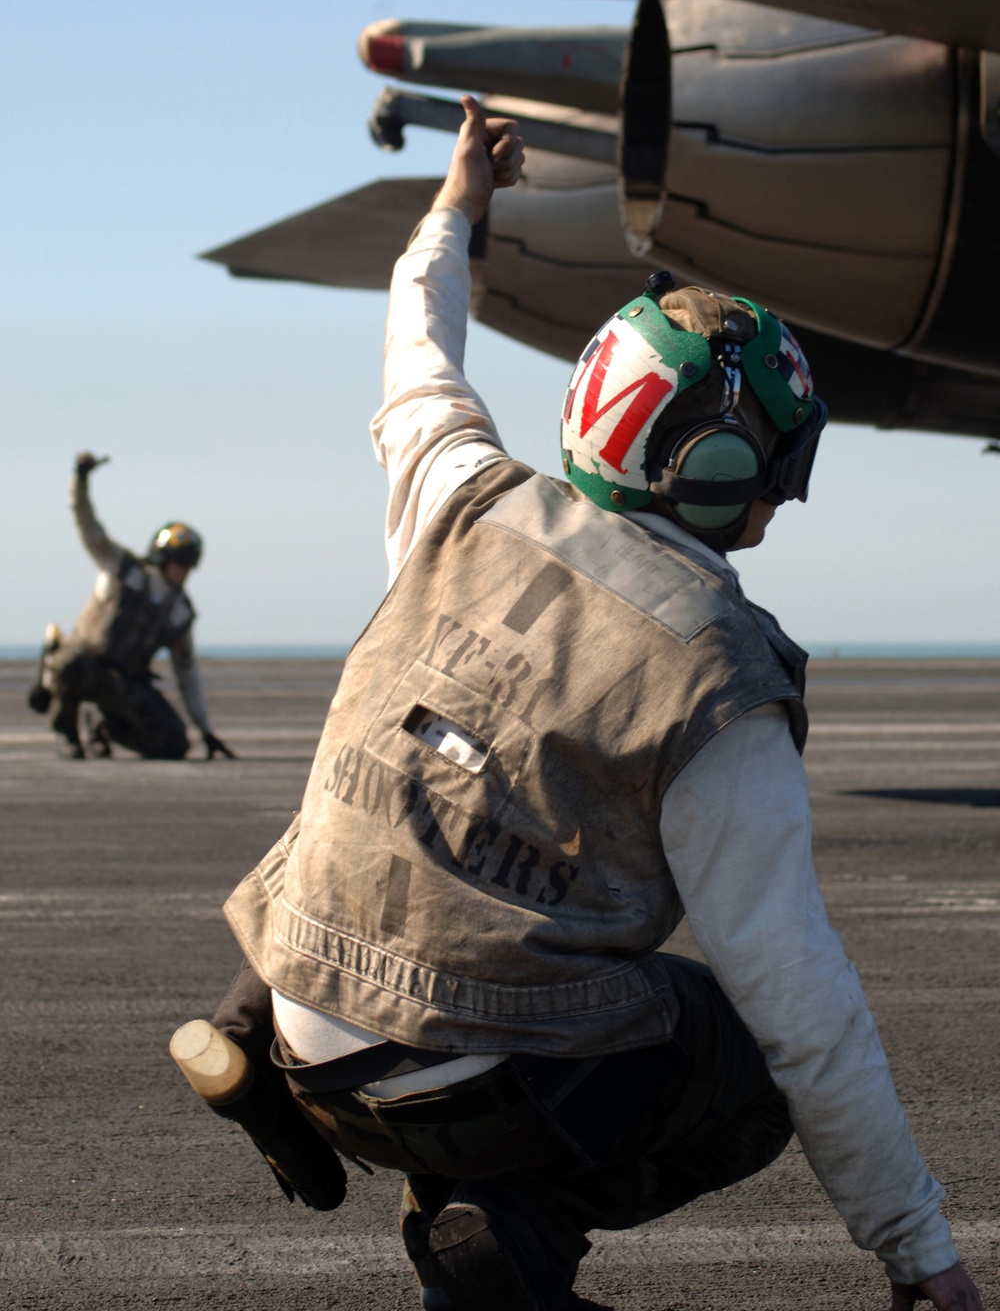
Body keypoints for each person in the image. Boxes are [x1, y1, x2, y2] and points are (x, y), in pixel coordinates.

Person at [204, 99, 984, 1311]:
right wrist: (917, 1246)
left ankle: (247, 1046)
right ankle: (508, 1225)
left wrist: (460, 201)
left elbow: (419, 335)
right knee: (742, 1063)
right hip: (466, 1081)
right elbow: (802, 1004)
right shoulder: (719, 680)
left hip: (303, 1001)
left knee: (399, 784)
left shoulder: (458, 497)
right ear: (734, 478)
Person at [28, 452, 235, 762]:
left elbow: (186, 672)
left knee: (174, 744)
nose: (185, 569)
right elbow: (88, 527)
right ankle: (69, 732)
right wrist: (79, 480)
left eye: (190, 562)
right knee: (67, 664)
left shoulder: (179, 612)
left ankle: (106, 727)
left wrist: (204, 730)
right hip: (87, 666)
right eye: (181, 560)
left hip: (125, 683)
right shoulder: (121, 570)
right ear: (163, 556)